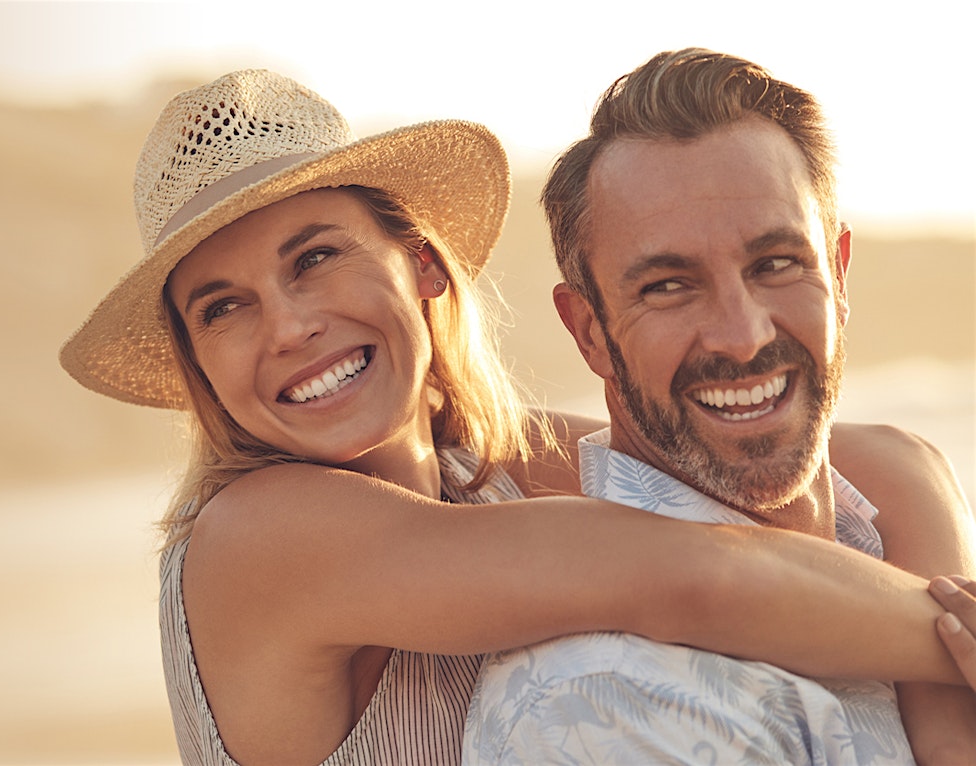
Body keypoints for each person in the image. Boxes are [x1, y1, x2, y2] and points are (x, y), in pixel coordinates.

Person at [57, 68, 973, 766]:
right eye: (224, 307)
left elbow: (889, 462)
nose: (289, 327)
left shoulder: (483, 470)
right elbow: (694, 578)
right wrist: (951, 642)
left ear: (421, 266)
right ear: (199, 362)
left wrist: (947, 729)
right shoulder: (257, 538)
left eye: (316, 259)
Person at [461, 49, 976, 764]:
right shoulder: (611, 703)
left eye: (776, 264)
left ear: (839, 274)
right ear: (590, 333)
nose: (743, 336)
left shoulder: (889, 528)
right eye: (669, 286)